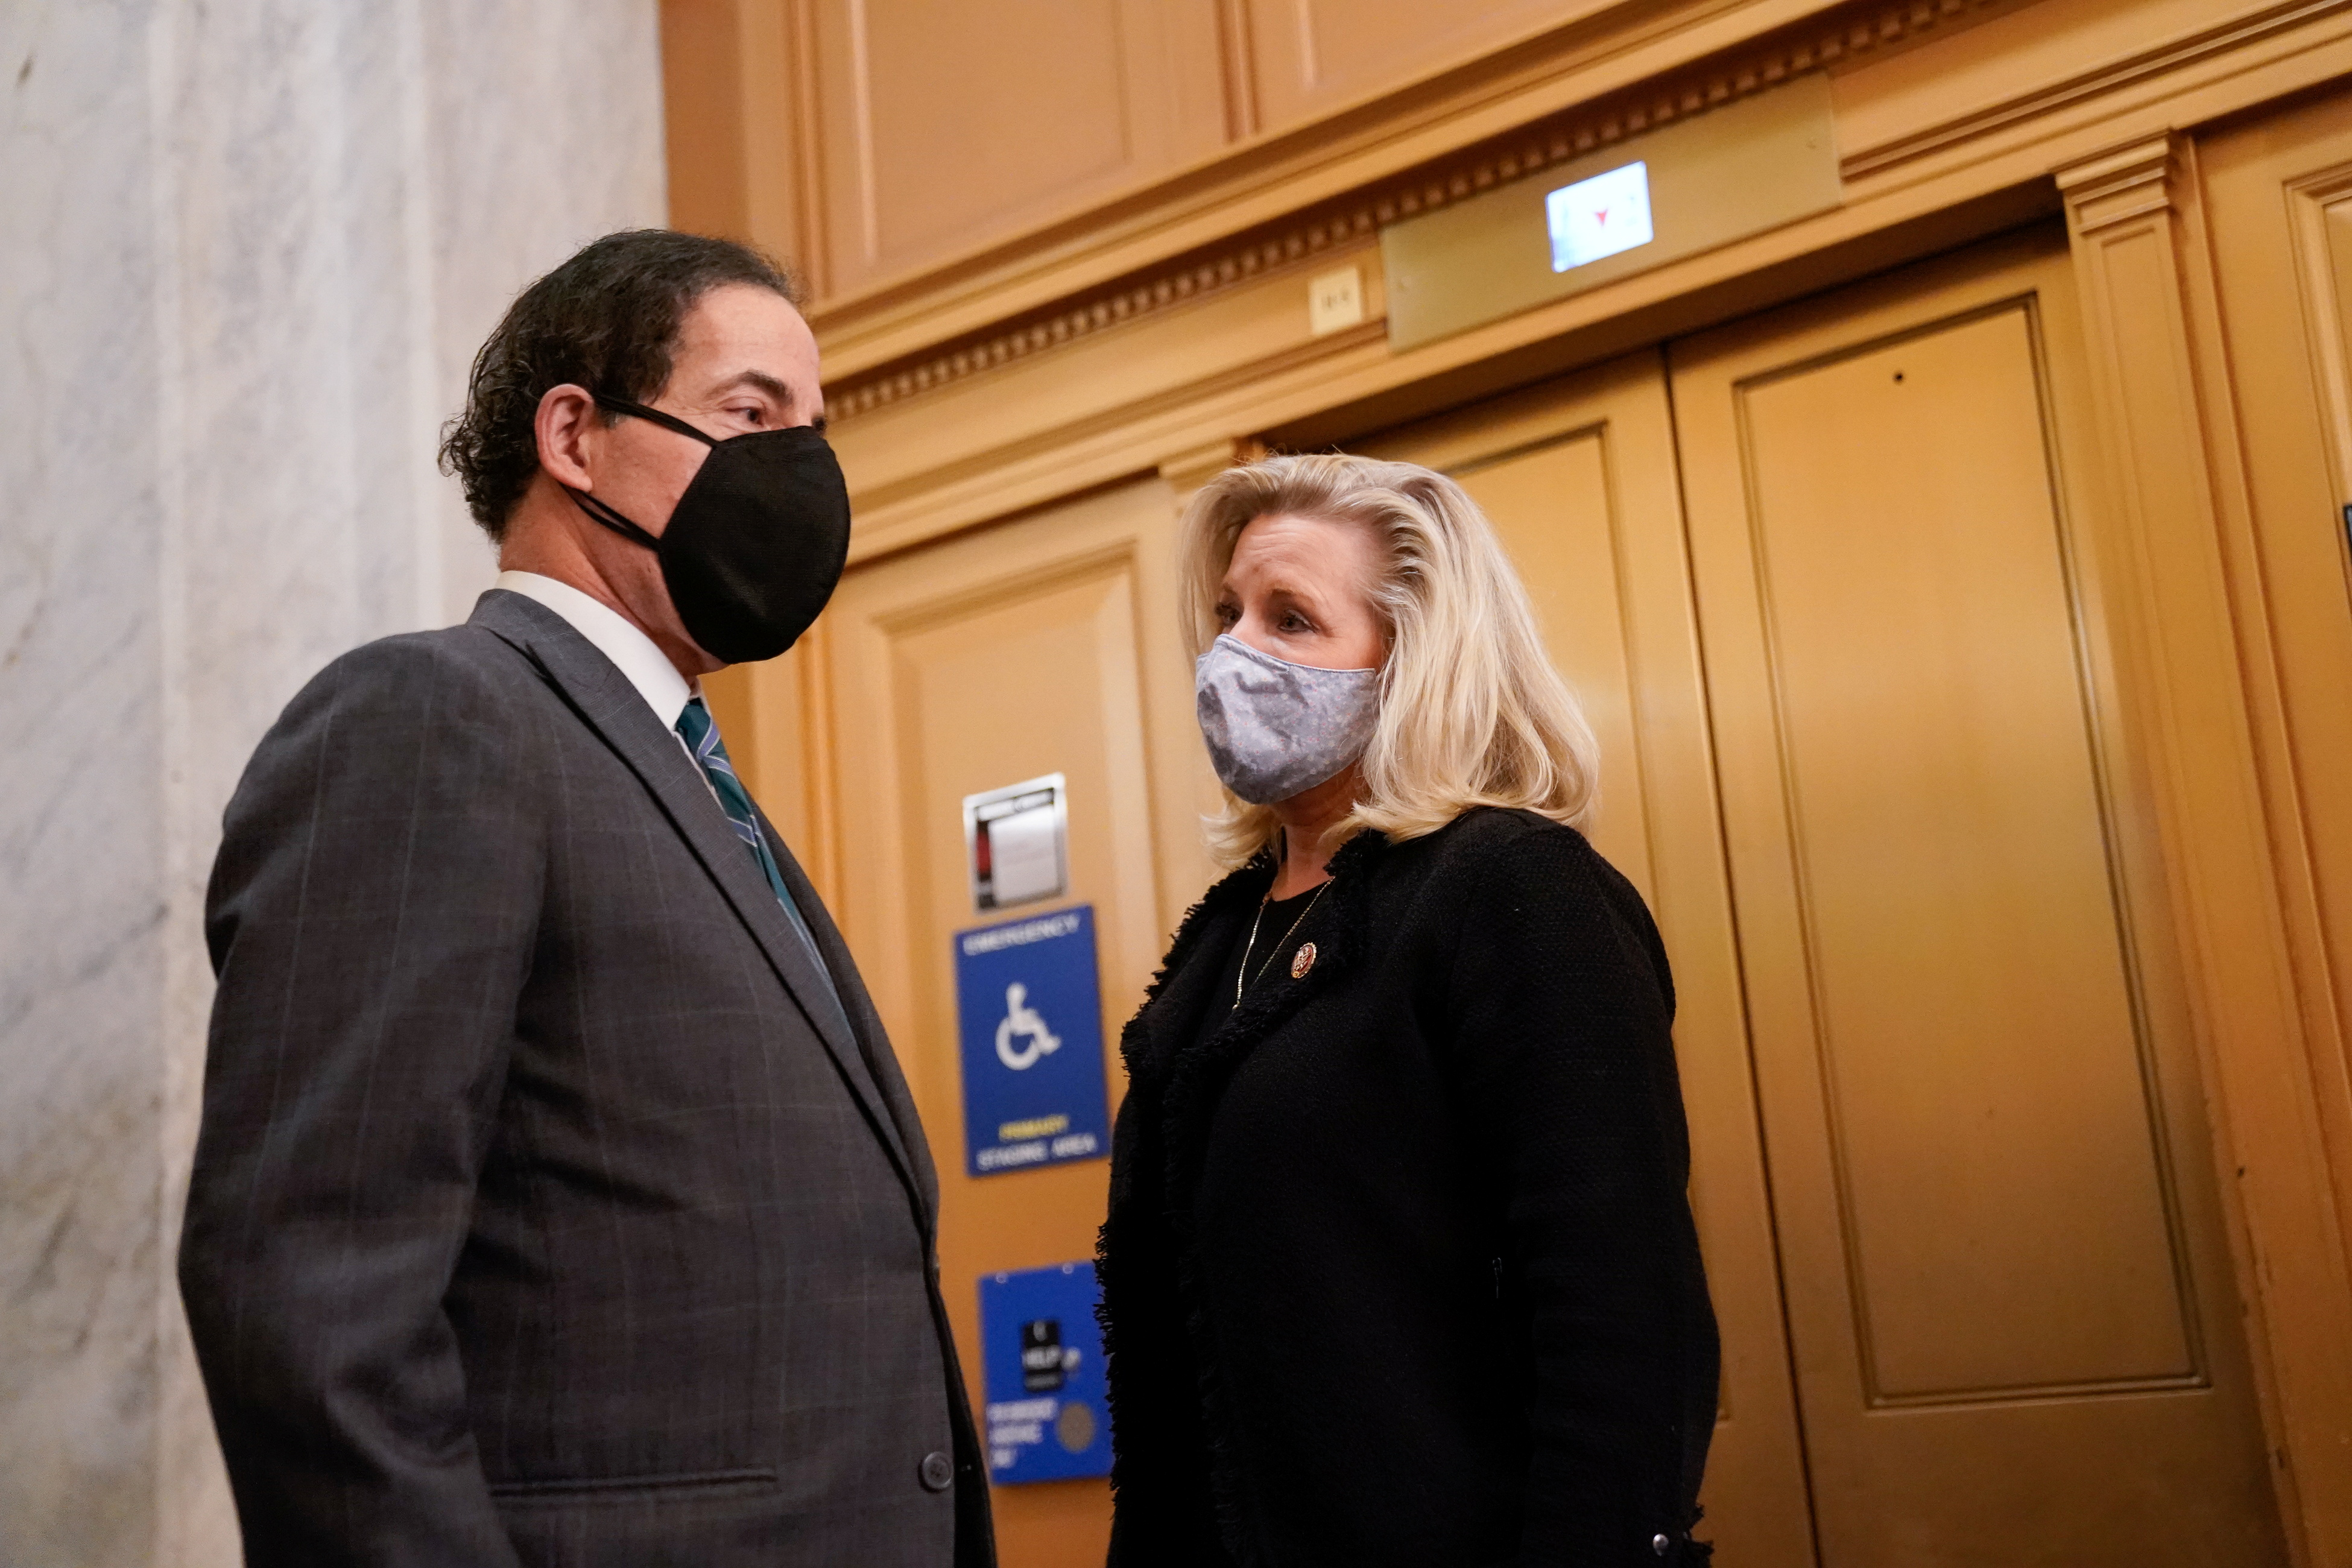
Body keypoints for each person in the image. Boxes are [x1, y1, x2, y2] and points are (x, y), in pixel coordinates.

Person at [178, 230, 992, 1568]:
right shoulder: (435, 717)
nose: (802, 467)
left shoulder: (691, 779)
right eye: (752, 414)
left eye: (816, 428)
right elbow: (312, 1295)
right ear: (574, 435)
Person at [1095, 454, 1718, 1567]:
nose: (1233, 653)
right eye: (1230, 614)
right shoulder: (1224, 939)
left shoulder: (1510, 888)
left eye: (1291, 619)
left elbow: (1620, 1313)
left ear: (1415, 661)